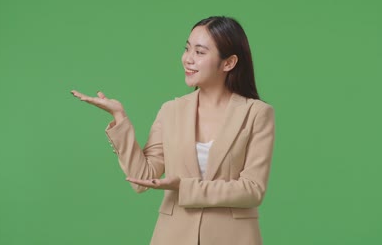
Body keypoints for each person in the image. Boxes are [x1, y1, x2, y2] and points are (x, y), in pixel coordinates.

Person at [71, 16, 275, 245]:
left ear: (228, 63)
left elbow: (252, 189)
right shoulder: (171, 110)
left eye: (200, 52)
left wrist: (185, 187)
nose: (188, 59)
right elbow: (142, 180)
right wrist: (120, 119)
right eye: (187, 49)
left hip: (233, 238)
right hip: (172, 237)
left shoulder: (257, 113)